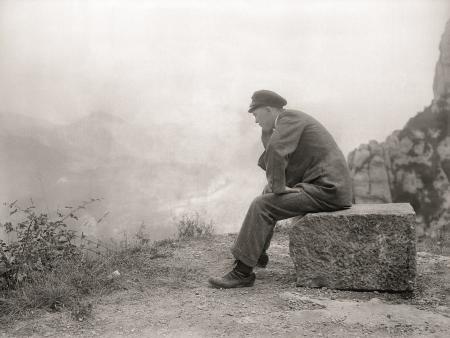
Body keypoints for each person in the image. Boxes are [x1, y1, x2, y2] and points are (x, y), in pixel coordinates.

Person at [208, 90, 353, 289]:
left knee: (262, 205)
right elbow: (280, 153)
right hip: (325, 186)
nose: (255, 120)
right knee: (267, 193)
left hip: (328, 190)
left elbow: (276, 150)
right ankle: (257, 255)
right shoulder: (286, 121)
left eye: (256, 114)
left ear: (268, 110)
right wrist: (275, 184)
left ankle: (242, 273)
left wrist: (278, 186)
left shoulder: (289, 118)